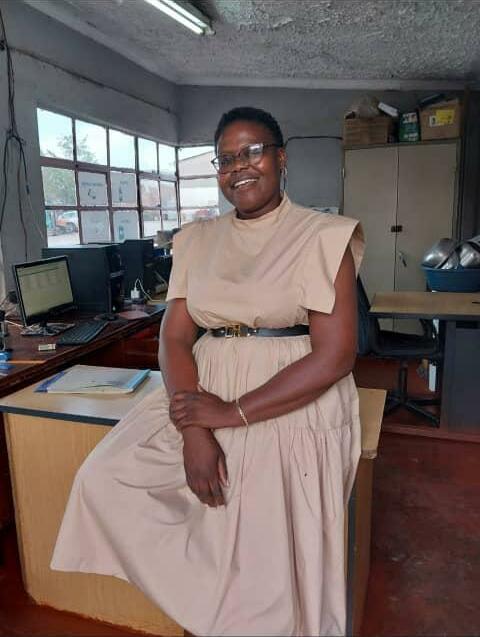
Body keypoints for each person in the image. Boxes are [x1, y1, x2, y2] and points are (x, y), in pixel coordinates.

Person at [51, 106, 365, 637]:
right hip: (203, 388)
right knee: (106, 476)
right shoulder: (195, 241)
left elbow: (335, 355)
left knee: (268, 556)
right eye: (226, 158)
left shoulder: (324, 236)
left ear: (281, 158)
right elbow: (175, 337)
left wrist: (233, 412)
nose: (239, 166)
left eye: (253, 151)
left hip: (287, 394)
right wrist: (195, 428)